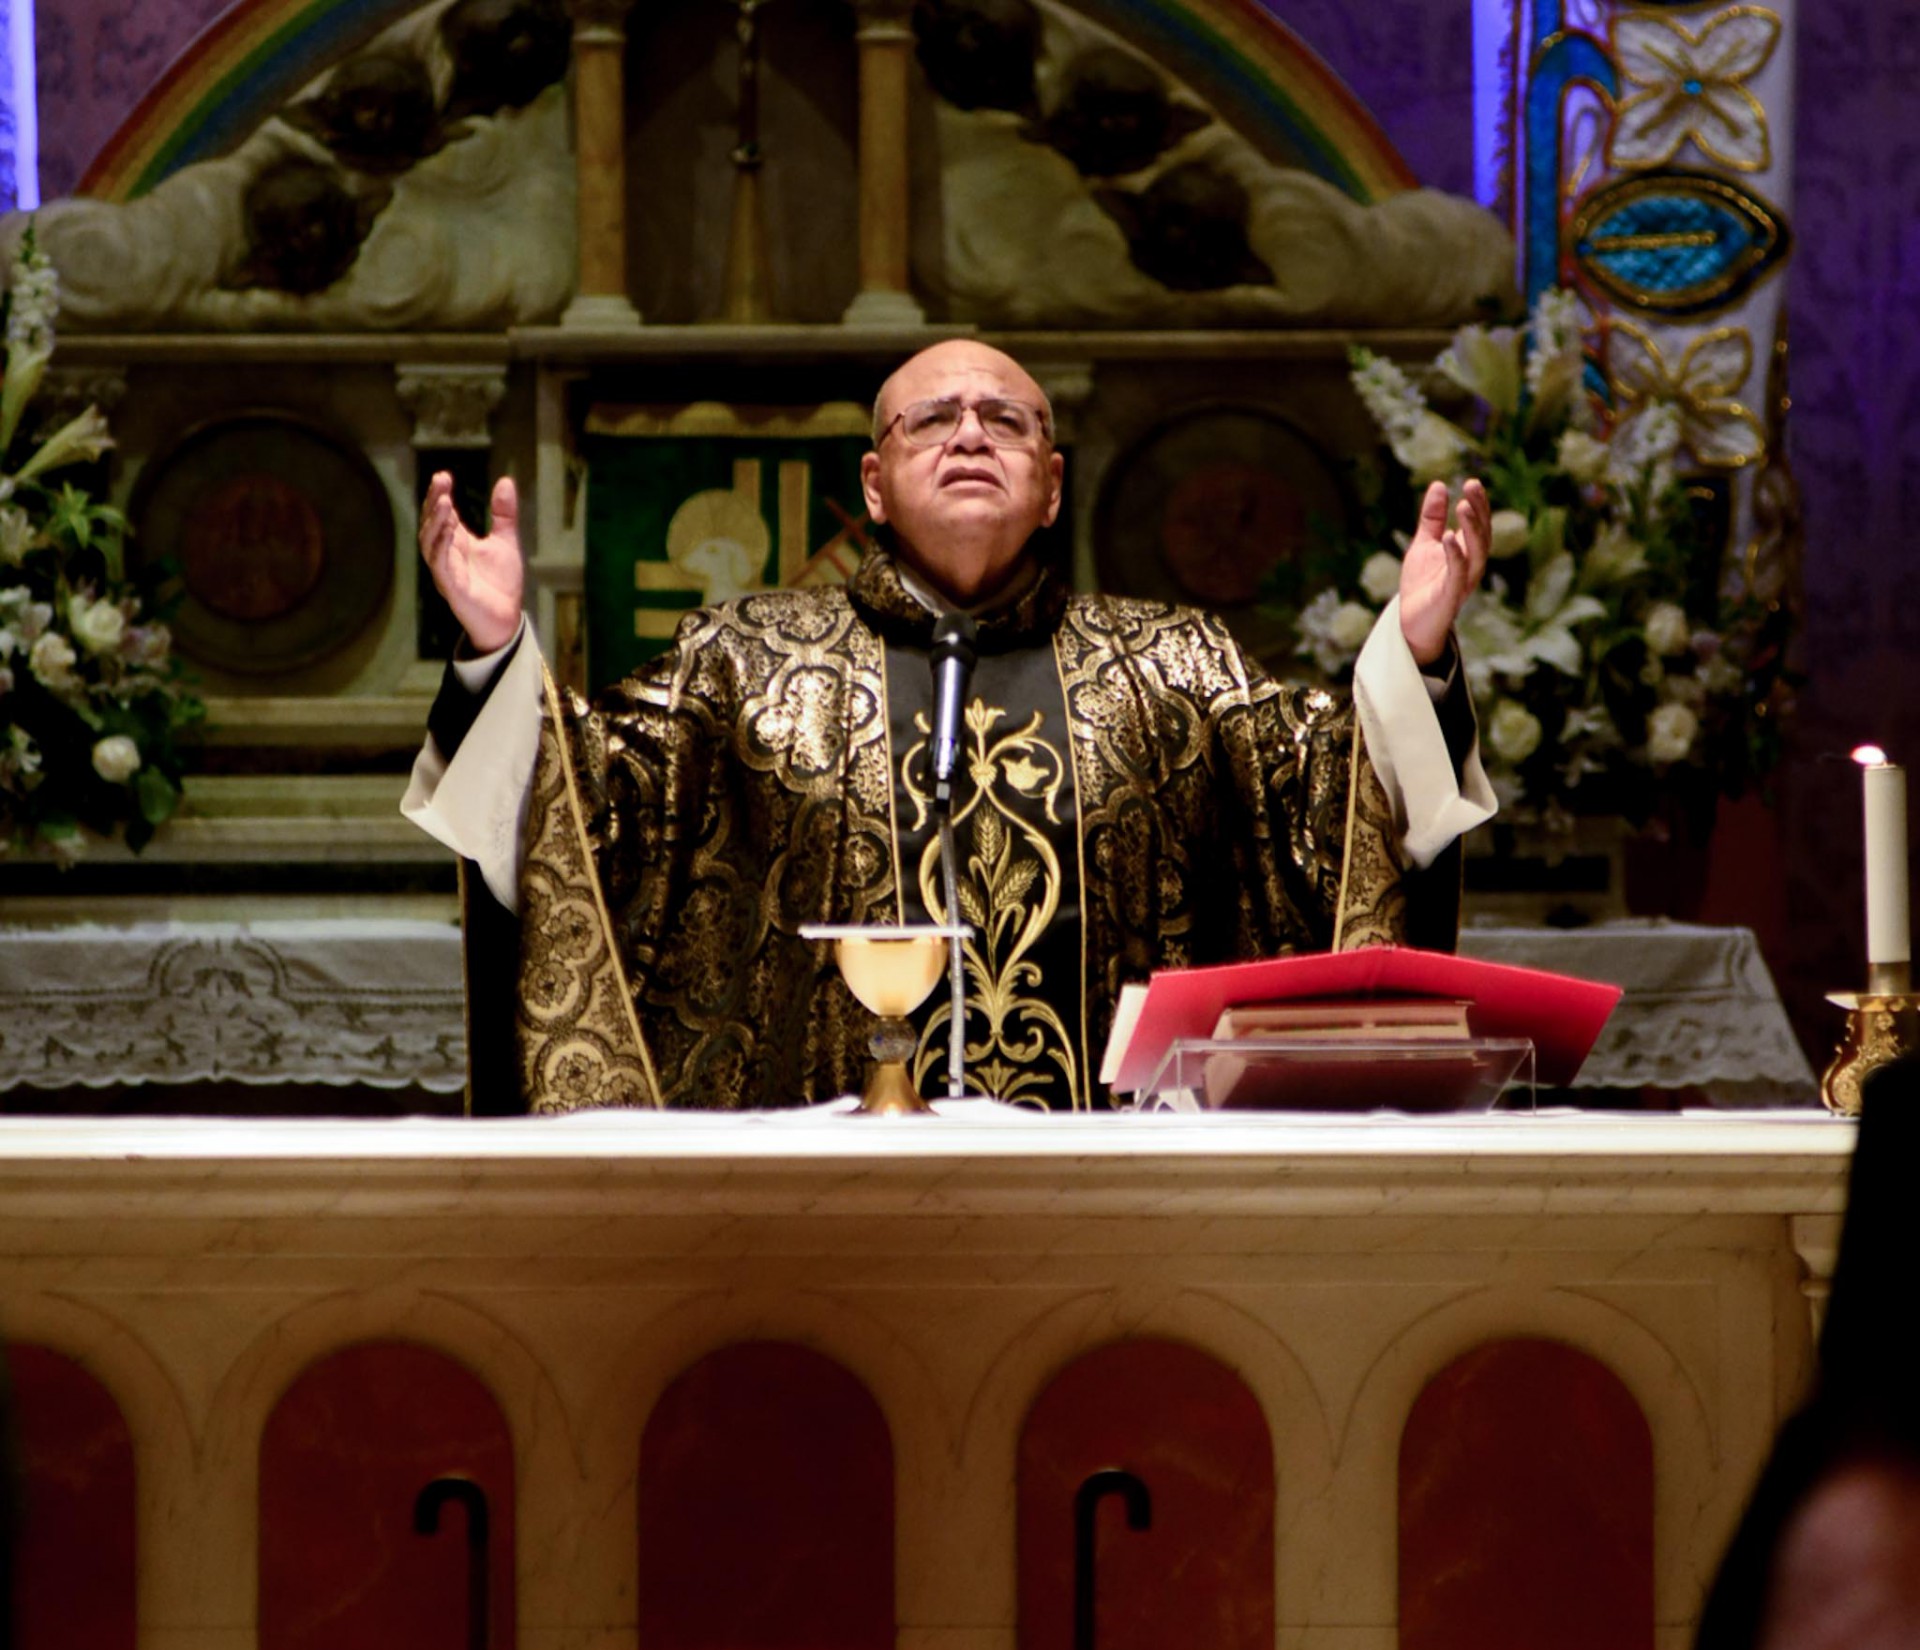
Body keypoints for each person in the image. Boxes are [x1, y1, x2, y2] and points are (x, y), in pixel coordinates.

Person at [405, 340, 1495, 1112]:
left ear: (1052, 484)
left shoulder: (1178, 664)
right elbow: (582, 824)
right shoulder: (738, 661)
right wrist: (498, 655)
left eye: (1007, 420)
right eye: (934, 418)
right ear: (874, 485)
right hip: (812, 1196)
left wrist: (1419, 657)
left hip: (1110, 1196)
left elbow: (1336, 815)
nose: (970, 434)